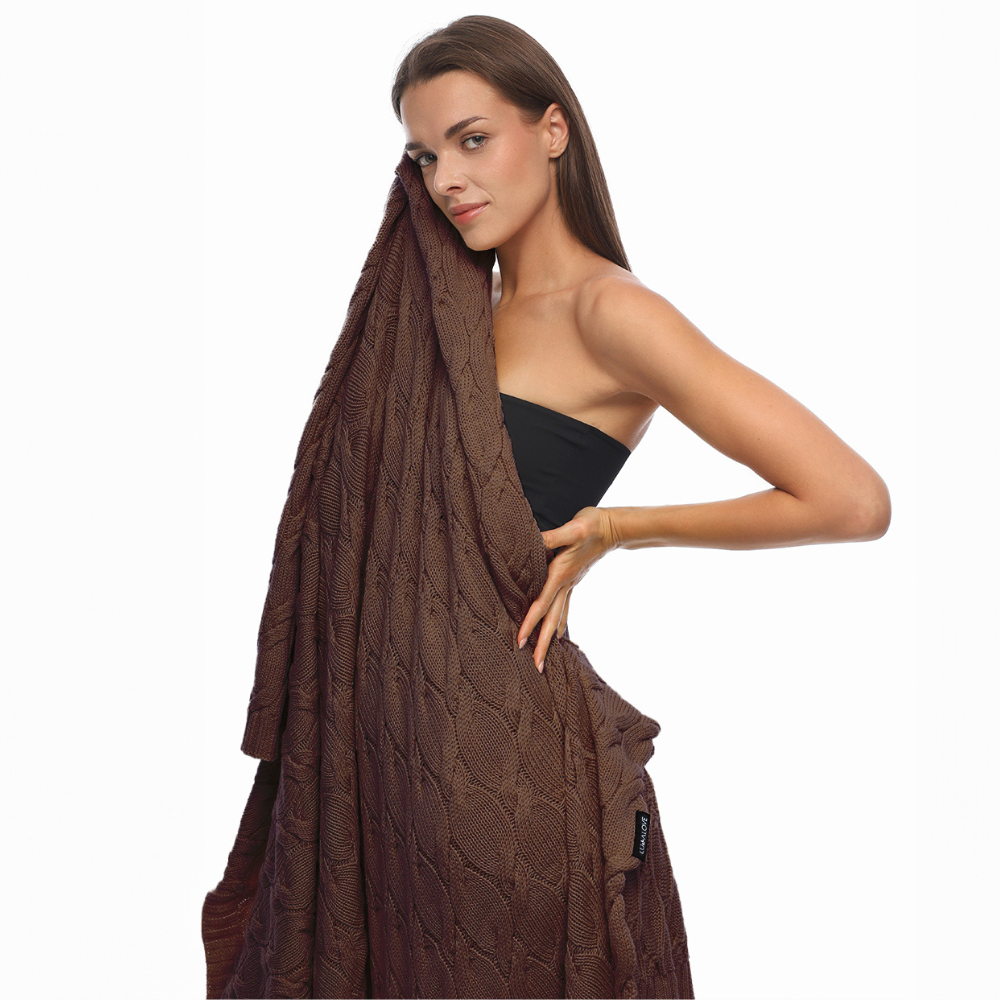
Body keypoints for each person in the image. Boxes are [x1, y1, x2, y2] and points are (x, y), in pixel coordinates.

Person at [394, 17, 891, 676]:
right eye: (426, 157)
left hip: (484, 702)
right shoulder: (455, 309)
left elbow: (853, 502)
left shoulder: (610, 313)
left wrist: (616, 529)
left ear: (553, 131)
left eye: (473, 140)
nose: (445, 180)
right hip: (376, 695)